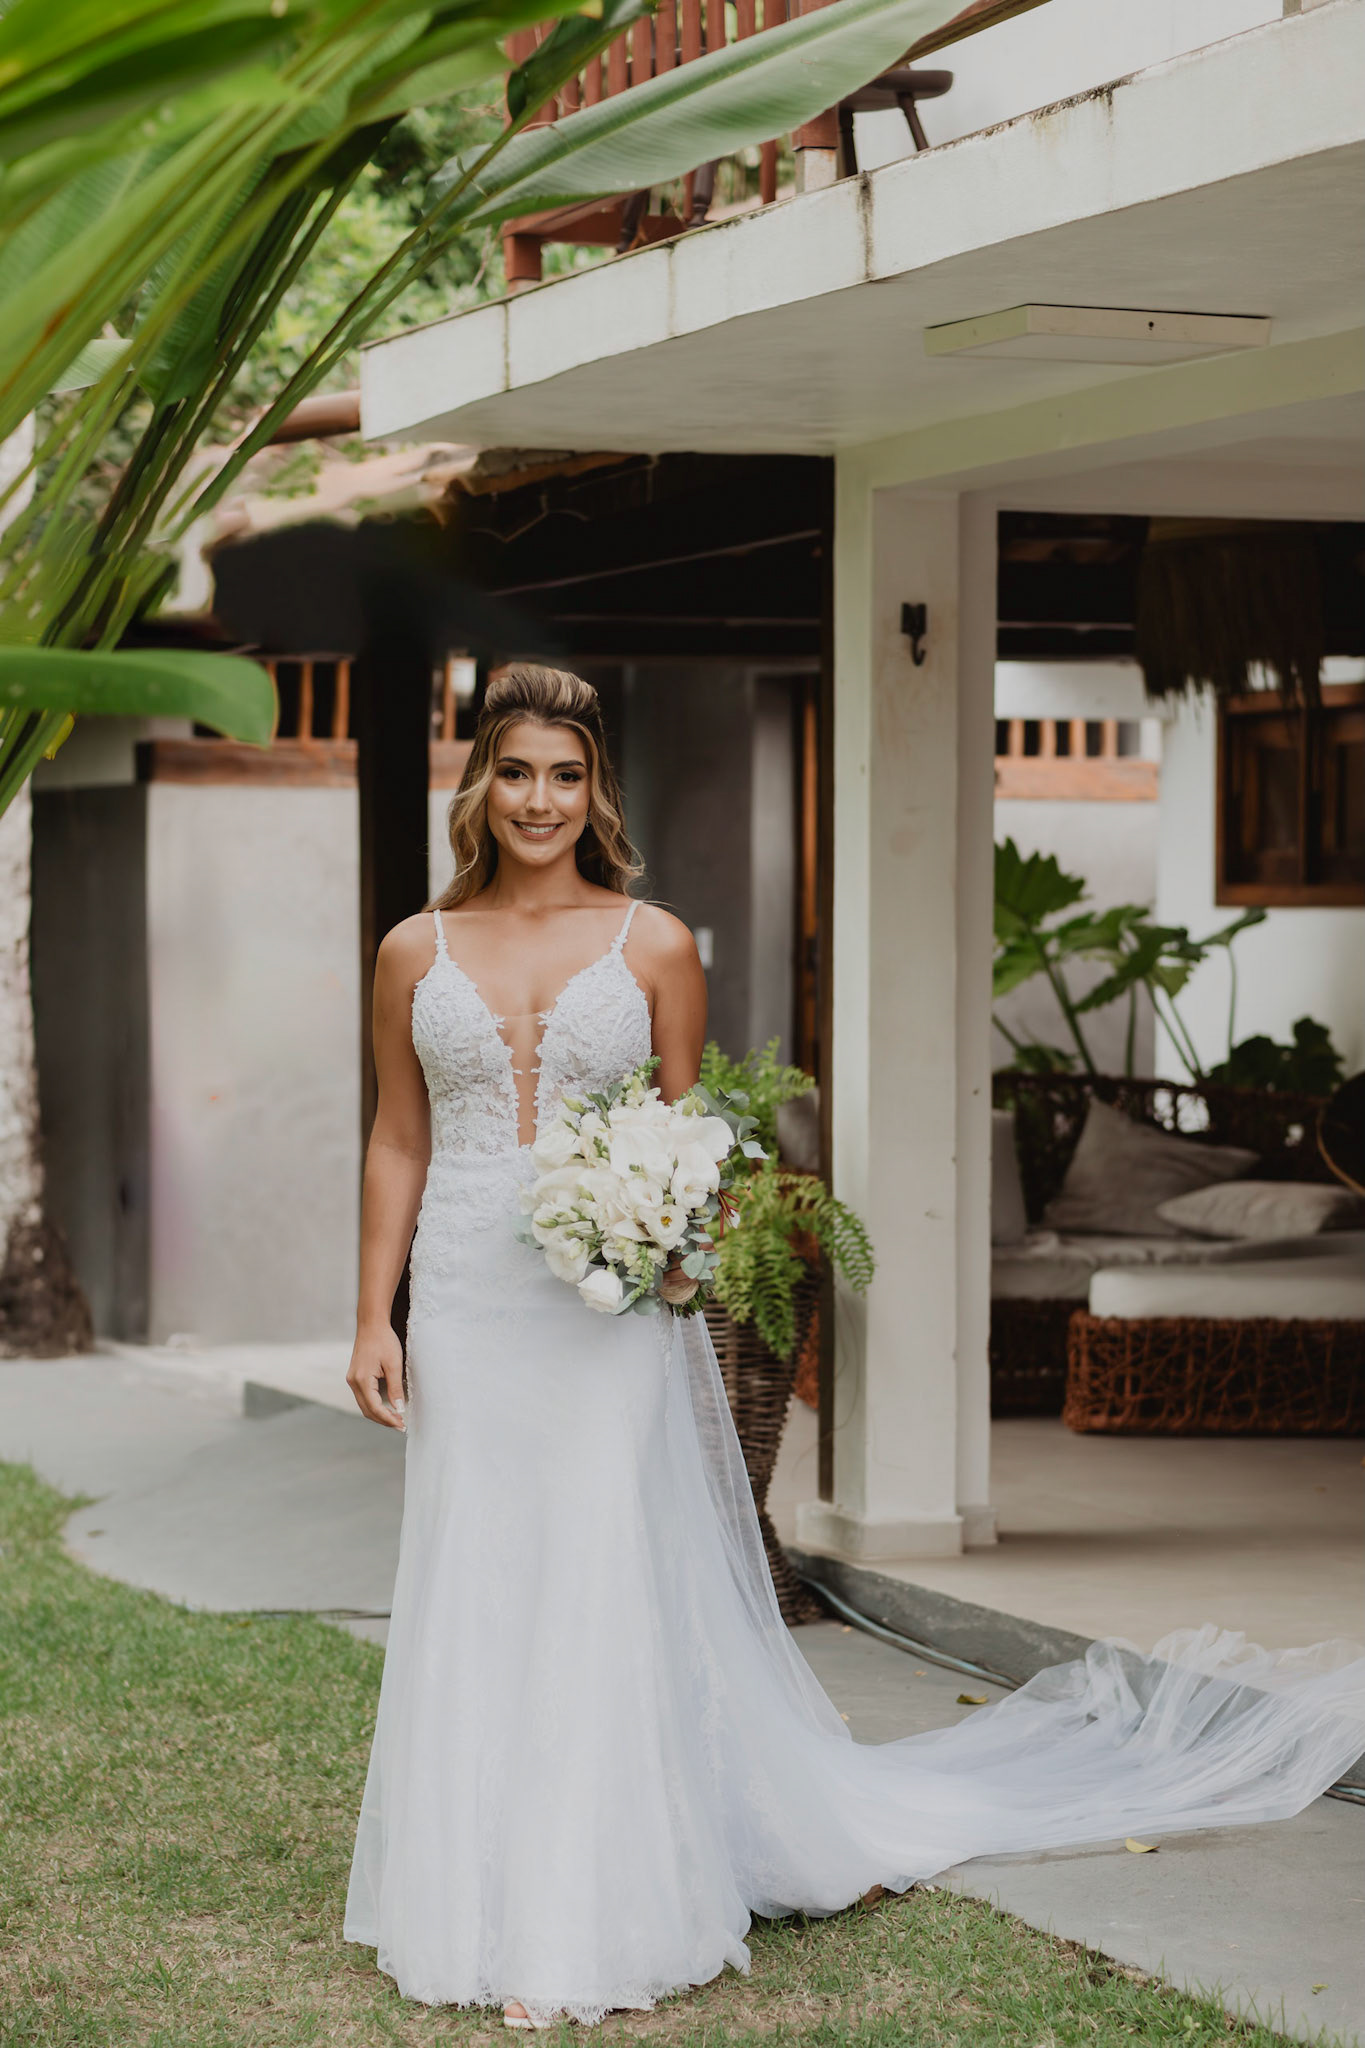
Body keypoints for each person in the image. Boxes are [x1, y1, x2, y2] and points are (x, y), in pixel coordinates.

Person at [344, 663, 1364, 2031]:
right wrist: (375, 1314)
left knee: (596, 1573)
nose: (540, 799)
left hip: (606, 1314)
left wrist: (676, 1242)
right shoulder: (413, 948)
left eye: (566, 774)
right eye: (517, 771)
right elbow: (400, 1137)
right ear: (480, 782)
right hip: (471, 1297)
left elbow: (689, 1131)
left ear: (598, 791)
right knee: (477, 1569)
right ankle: (468, 1888)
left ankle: (596, 1902)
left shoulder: (654, 944)